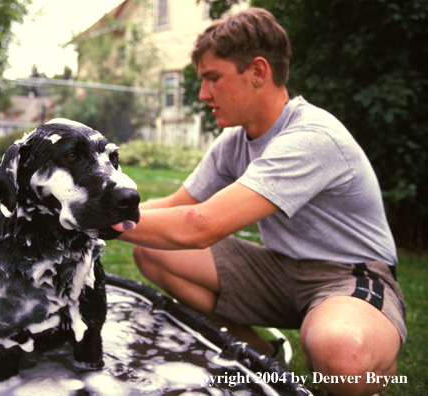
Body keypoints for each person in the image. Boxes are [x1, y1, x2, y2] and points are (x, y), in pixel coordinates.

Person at [113, 7, 406, 396]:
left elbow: (200, 225)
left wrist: (89, 221)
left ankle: (368, 340)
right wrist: (98, 209)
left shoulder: (311, 136)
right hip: (279, 270)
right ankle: (261, 360)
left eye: (213, 79)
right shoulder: (234, 142)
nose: (203, 95)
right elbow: (174, 205)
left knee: (342, 356)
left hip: (348, 276)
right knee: (153, 252)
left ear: (258, 72)